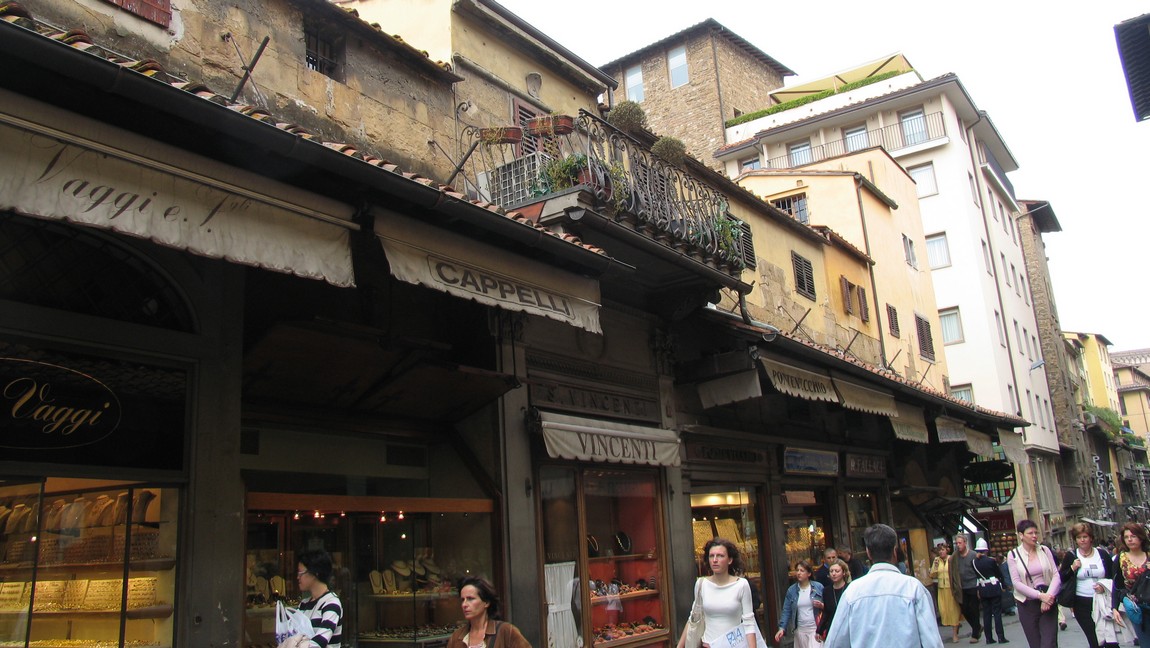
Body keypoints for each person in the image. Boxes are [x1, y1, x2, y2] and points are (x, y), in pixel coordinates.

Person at [822, 523, 942, 648]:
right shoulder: (913, 588)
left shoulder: (852, 592)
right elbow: (932, 640)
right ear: (895, 551)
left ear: (868, 552)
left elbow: (835, 642)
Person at [677, 538, 758, 648]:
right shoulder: (701, 584)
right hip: (708, 644)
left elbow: (749, 622)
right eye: (711, 556)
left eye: (720, 556)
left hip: (733, 645)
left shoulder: (741, 585)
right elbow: (693, 618)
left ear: (730, 560)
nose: (715, 560)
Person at [1006, 520, 1062, 648]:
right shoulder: (1013, 555)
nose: (1034, 536)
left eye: (1036, 532)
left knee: (1049, 643)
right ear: (1021, 535)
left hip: (1048, 600)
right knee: (1035, 644)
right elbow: (1016, 582)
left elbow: (1056, 575)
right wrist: (1039, 596)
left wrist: (1048, 597)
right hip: (1027, 604)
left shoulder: (1044, 550)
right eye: (1030, 533)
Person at [1058, 522, 1114, 648]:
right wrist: (1072, 568)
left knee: (1110, 639)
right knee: (1094, 639)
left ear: (1091, 538)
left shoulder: (1102, 554)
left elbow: (1112, 576)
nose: (1082, 540)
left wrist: (1103, 586)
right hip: (1082, 602)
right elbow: (1061, 578)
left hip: (1102, 601)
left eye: (1085, 537)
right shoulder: (1071, 556)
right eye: (1079, 537)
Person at [447, 577, 530, 648]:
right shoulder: (456, 637)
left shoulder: (506, 631)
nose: (464, 604)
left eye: (470, 599)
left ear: (486, 602)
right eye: (462, 600)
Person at [1111, 522, 1150, 648]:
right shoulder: (1121, 559)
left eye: (1133, 536)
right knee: (1145, 643)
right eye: (1126, 537)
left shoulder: (1148, 555)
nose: (1130, 540)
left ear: (1141, 537)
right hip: (1137, 607)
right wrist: (1114, 607)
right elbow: (1116, 584)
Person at [296, 549, 343, 648]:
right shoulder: (303, 604)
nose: (298, 577)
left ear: (315, 573)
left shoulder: (331, 603)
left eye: (301, 573)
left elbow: (320, 642)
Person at [774, 560, 823, 648]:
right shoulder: (791, 591)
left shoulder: (818, 587)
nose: (799, 573)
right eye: (797, 570)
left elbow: (827, 608)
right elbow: (786, 611)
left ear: (809, 574)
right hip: (800, 631)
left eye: (802, 570)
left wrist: (822, 606)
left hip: (815, 629)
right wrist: (782, 628)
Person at [972, 539, 1006, 645]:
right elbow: (998, 574)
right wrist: (1004, 585)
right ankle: (1000, 637)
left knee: (986, 614)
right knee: (997, 613)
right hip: (994, 587)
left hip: (983, 589)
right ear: (986, 550)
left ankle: (988, 638)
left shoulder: (973, 562)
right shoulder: (991, 561)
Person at [951, 534, 983, 643]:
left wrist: (979, 586)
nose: (958, 545)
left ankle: (975, 634)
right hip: (961, 587)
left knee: (974, 609)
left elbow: (979, 571)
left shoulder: (973, 555)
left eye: (960, 543)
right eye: (956, 543)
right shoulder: (954, 556)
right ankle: (978, 626)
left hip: (973, 585)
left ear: (965, 543)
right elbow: (952, 572)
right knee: (965, 610)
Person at [930, 542, 963, 643]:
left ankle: (954, 634)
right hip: (941, 589)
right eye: (939, 550)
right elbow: (932, 575)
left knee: (953, 611)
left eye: (942, 550)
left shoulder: (951, 559)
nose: (941, 552)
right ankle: (956, 626)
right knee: (944, 611)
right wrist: (935, 566)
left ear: (946, 550)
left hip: (951, 588)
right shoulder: (937, 560)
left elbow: (957, 573)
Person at [816, 558, 851, 643]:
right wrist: (819, 630)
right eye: (831, 571)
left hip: (848, 629)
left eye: (837, 571)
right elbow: (826, 612)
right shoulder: (826, 591)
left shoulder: (850, 588)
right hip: (833, 629)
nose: (834, 574)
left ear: (843, 573)